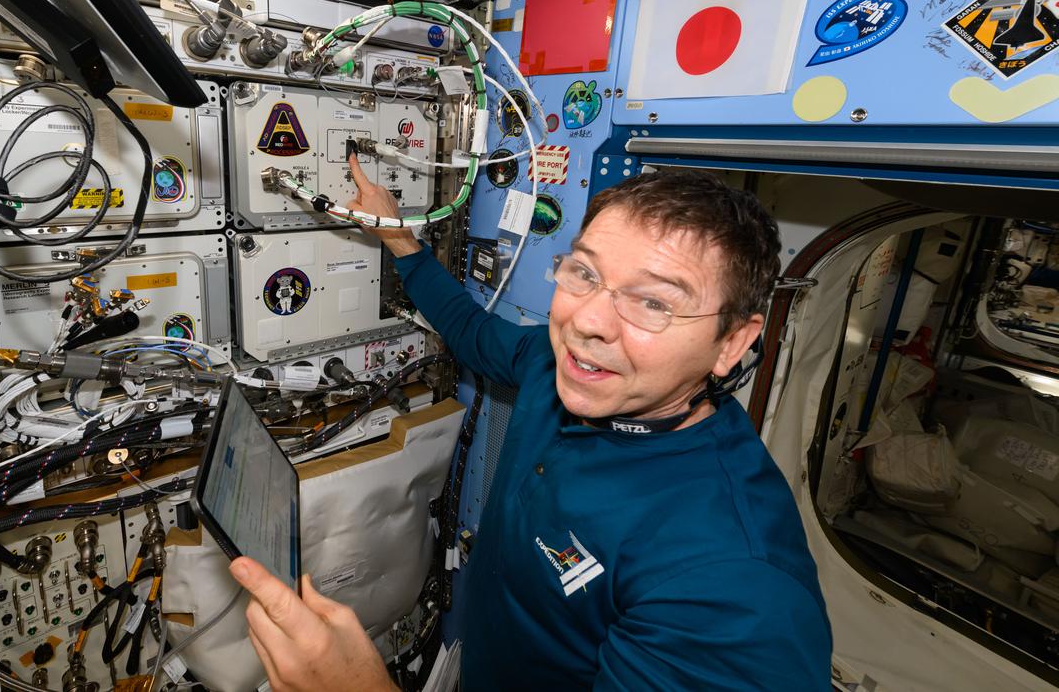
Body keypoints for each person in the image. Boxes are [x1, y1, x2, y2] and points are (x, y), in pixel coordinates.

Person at [227, 162, 833, 691]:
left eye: (653, 302)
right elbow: (470, 332)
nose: (588, 321)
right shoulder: (555, 365)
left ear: (733, 343)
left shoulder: (731, 585)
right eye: (585, 274)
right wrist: (400, 239)